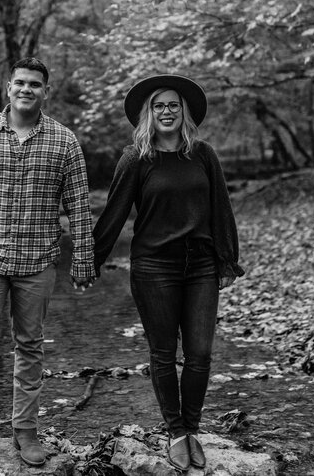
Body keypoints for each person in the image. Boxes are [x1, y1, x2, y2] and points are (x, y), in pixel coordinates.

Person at [0, 57, 96, 467]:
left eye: (35, 84)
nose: (27, 89)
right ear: (8, 87)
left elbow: (78, 206)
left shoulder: (64, 142)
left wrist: (83, 259)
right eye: (20, 83)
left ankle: (24, 430)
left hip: (38, 259)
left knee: (29, 345)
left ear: (45, 91)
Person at [92, 74, 244, 472]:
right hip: (154, 267)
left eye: (173, 105)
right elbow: (115, 214)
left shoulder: (203, 154)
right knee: (163, 353)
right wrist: (88, 260)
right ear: (148, 113)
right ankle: (176, 432)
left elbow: (221, 208)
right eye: (159, 105)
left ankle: (192, 427)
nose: (167, 111)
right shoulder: (136, 158)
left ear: (184, 112)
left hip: (201, 265)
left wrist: (227, 259)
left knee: (200, 354)